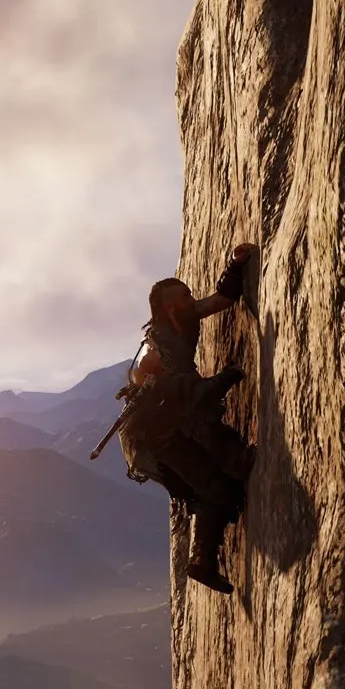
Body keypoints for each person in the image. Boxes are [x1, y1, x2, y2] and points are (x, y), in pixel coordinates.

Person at [117, 244, 256, 595]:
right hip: (161, 436)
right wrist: (218, 382)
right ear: (169, 306)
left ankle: (202, 561)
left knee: (217, 483)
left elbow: (221, 299)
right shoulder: (155, 350)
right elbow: (167, 390)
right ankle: (201, 562)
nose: (191, 297)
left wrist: (236, 264)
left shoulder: (184, 319)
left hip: (174, 426)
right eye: (184, 295)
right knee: (217, 485)